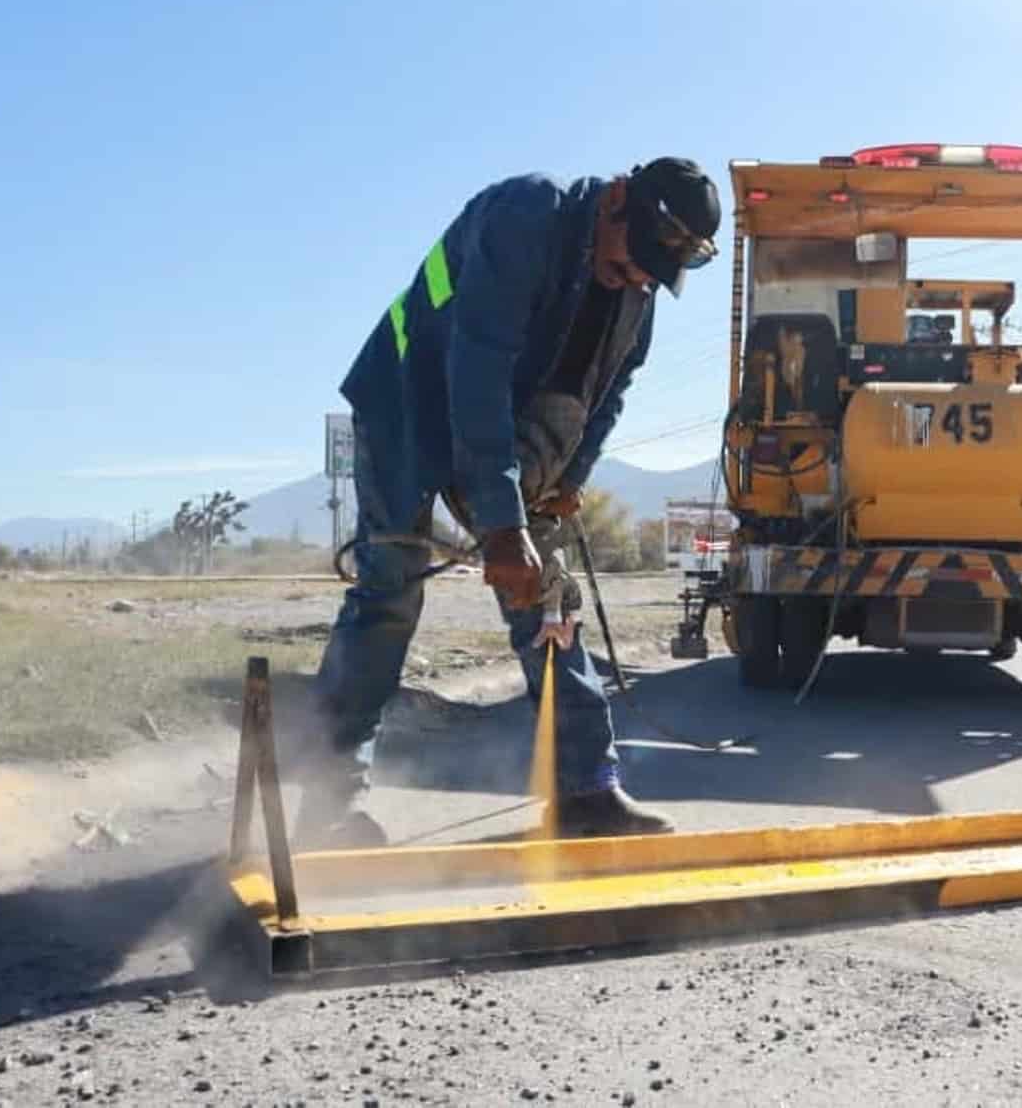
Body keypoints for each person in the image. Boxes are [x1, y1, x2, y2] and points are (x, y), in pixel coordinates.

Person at [297, 158, 722, 846]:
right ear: (617, 201)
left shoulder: (635, 302)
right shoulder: (527, 215)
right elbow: (478, 371)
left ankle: (585, 791)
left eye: (649, 274)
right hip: (408, 401)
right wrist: (501, 523)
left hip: (501, 426)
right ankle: (325, 801)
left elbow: (603, 401)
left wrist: (564, 483)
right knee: (390, 591)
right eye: (630, 264)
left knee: (549, 597)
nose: (636, 280)